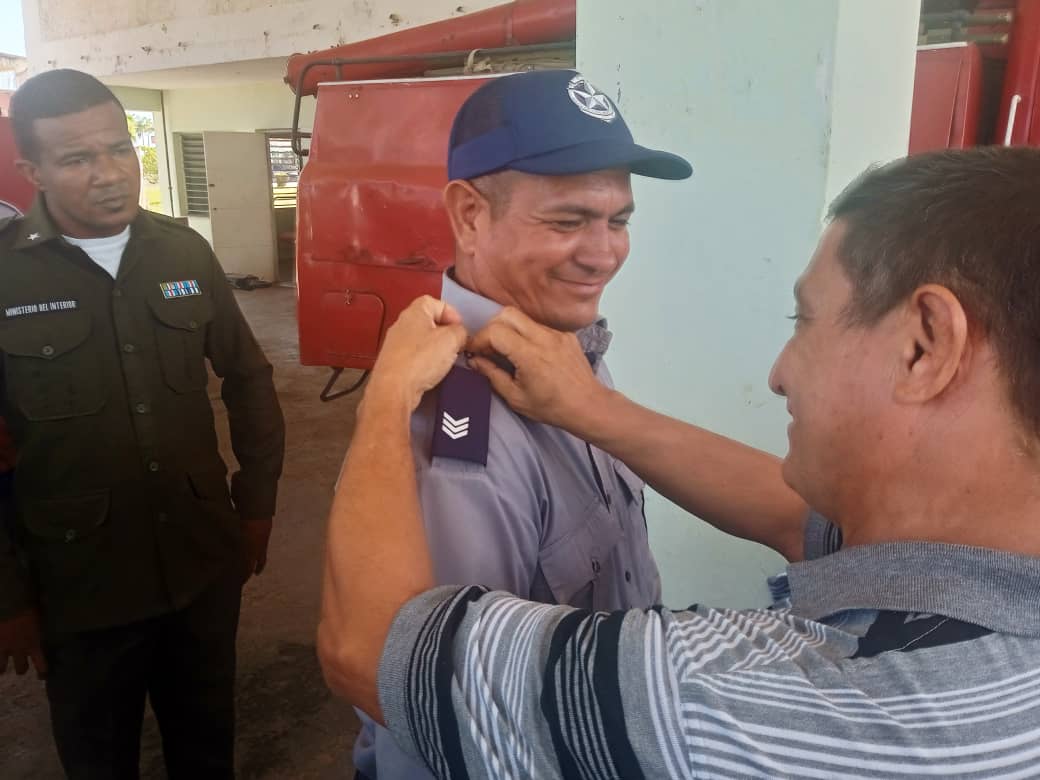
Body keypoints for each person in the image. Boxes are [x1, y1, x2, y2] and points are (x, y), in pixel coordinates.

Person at [321, 146, 1040, 777]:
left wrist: (381, 402)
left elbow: (374, 649)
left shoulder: (761, 708)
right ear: (470, 216)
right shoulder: (989, 577)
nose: (778, 374)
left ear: (923, 346)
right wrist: (593, 409)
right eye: (568, 220)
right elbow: (790, 514)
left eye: (804, 321)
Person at [352, 67, 809, 779]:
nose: (603, 254)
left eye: (618, 221)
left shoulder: (567, 354)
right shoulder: (458, 427)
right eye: (567, 222)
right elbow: (429, 716)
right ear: (469, 215)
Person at [0, 69, 285, 778]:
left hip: (201, 560)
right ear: (33, 171)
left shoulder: (183, 252)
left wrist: (256, 506)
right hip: (78, 585)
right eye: (77, 159)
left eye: (119, 148)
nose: (110, 174)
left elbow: (249, 380)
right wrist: (7, 596)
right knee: (98, 757)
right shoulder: (6, 275)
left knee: (206, 744)